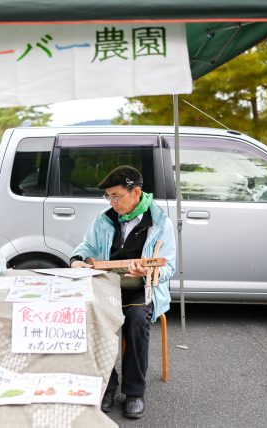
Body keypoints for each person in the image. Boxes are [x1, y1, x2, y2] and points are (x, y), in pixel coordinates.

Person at [70, 165, 176, 419]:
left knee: (137, 320)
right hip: (107, 286)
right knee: (91, 317)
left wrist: (148, 272)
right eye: (109, 197)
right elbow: (86, 246)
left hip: (142, 289)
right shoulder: (105, 219)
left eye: (116, 196)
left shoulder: (160, 222)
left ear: (136, 192)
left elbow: (169, 266)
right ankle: (107, 386)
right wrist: (76, 260)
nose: (112, 202)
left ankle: (134, 392)